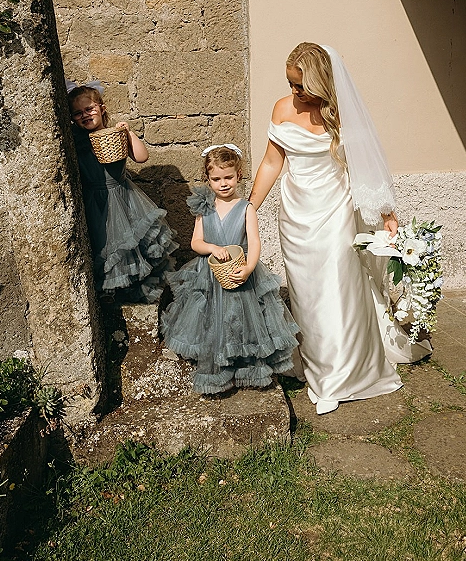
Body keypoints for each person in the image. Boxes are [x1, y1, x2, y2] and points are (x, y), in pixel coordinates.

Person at [249, 42, 431, 415]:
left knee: (337, 288)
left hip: (335, 212)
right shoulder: (283, 108)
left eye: (300, 85)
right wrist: (250, 207)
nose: (294, 93)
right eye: (290, 84)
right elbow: (271, 162)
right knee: (307, 295)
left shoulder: (342, 113)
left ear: (320, 81)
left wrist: (386, 215)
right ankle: (315, 363)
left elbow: (365, 168)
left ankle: (339, 377)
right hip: (295, 218)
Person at [160, 144, 299, 395]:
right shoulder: (204, 208)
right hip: (210, 275)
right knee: (213, 320)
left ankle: (243, 366)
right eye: (216, 179)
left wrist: (248, 268)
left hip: (239, 273)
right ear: (208, 179)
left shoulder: (246, 208)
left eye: (228, 177)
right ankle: (218, 369)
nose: (223, 183)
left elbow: (254, 242)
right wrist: (212, 247)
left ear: (239, 175)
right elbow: (195, 242)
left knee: (242, 320)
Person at [68, 83, 178, 302]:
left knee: (131, 248)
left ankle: (132, 295)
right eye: (78, 113)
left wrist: (128, 133)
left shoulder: (114, 135)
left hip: (124, 198)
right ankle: (109, 299)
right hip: (95, 203)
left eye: (89, 109)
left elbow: (142, 157)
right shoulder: (76, 141)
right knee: (105, 249)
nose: (85, 115)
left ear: (101, 108)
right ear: (72, 118)